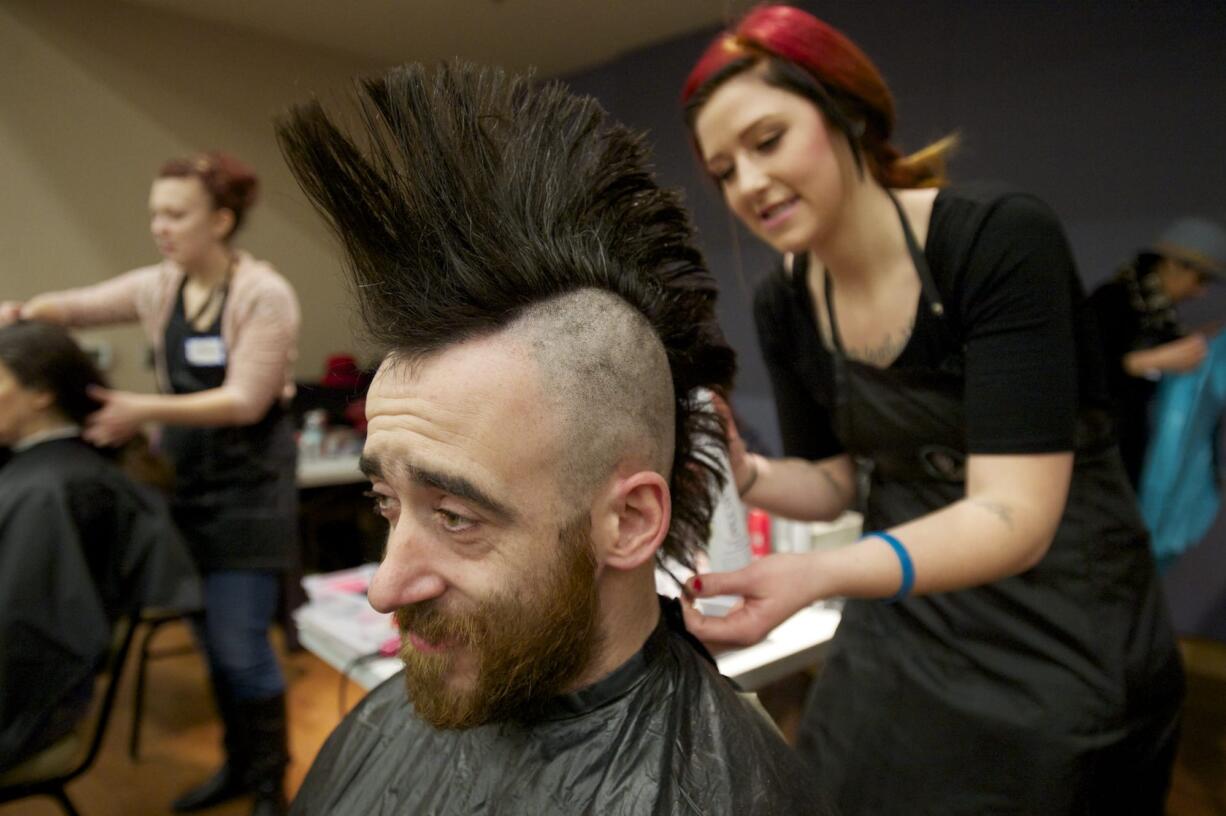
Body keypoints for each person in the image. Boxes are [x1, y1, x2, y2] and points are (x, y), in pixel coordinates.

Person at [275, 61, 824, 815]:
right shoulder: (386, 724)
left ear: (629, 521)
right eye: (386, 503)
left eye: (456, 516)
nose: (384, 589)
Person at [678, 6, 1184, 814]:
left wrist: (816, 573)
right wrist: (751, 473)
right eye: (724, 170)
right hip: (910, 635)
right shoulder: (788, 302)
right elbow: (839, 480)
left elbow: (1014, 516)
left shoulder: (994, 241)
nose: (748, 184)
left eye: (767, 141)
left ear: (846, 112)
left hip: (1061, 635)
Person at [0, 152, 300, 815]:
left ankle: (268, 787)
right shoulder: (160, 286)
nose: (160, 227)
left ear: (221, 220)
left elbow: (247, 401)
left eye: (175, 214)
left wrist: (140, 409)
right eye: (154, 214)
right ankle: (236, 765)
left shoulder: (261, 294)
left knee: (240, 644)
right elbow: (73, 307)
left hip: (249, 490)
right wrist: (21, 311)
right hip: (187, 480)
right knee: (209, 643)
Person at [0, 320, 200, 776]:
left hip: (21, 714)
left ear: (40, 394)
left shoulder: (49, 491)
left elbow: (21, 635)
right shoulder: (46, 474)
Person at [1088, 217, 1226, 486]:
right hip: (1098, 454)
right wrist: (1145, 362)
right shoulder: (1113, 301)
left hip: (1132, 448)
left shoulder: (1162, 318)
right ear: (1174, 265)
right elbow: (1084, 368)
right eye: (1199, 279)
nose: (1200, 292)